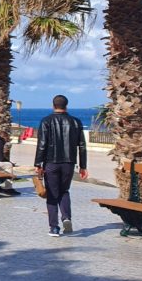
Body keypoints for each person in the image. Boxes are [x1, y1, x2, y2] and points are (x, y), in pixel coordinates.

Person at [34, 94, 88, 236]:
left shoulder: (46, 121)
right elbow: (82, 146)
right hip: (69, 163)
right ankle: (66, 218)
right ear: (66, 106)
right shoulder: (76, 122)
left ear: (53, 106)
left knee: (52, 194)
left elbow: (42, 144)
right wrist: (83, 166)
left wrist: (38, 164)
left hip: (51, 163)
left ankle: (54, 228)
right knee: (64, 191)